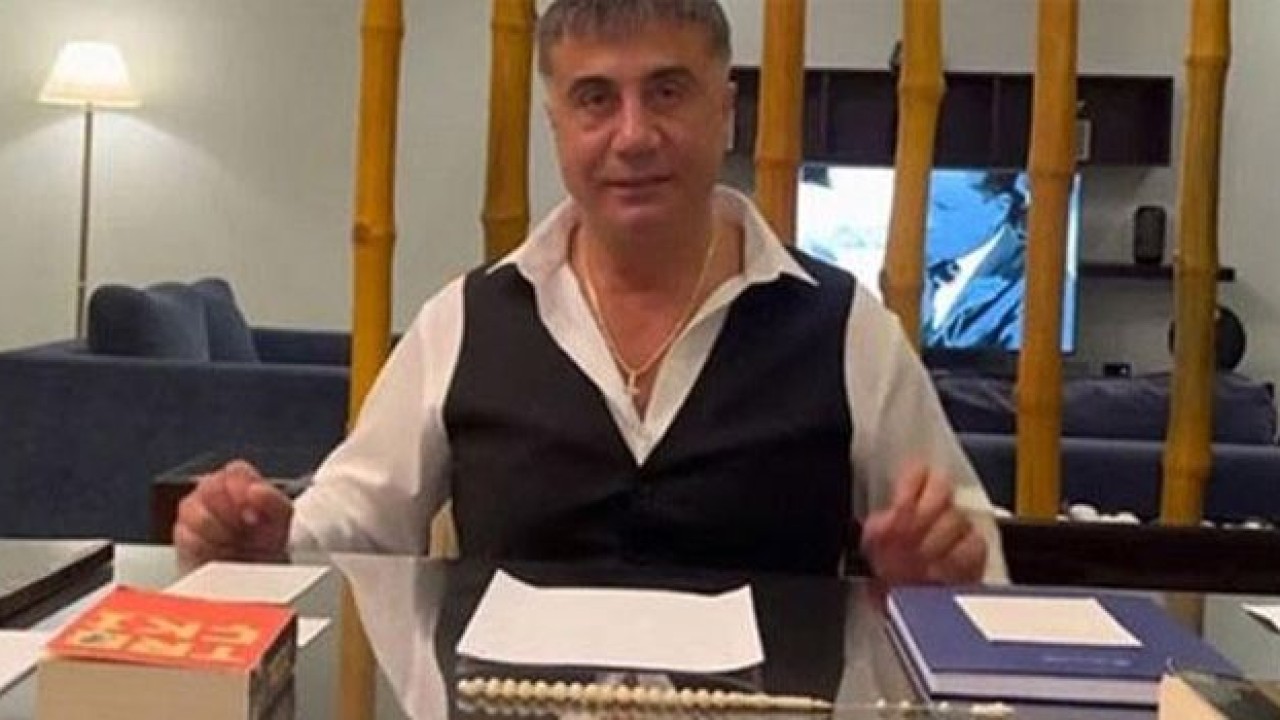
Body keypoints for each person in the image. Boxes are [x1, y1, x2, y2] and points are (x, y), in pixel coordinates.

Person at [176, 0, 1006, 585]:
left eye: (668, 92)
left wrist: (942, 576)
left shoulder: (847, 327)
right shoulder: (463, 319)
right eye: (596, 100)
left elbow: (975, 563)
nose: (633, 135)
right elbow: (354, 521)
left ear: (725, 111)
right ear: (557, 126)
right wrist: (268, 542)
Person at [921, 170, 1029, 350]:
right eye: (922, 205)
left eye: (944, 207)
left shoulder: (1035, 286)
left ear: (1000, 209)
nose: (927, 222)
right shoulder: (923, 265)